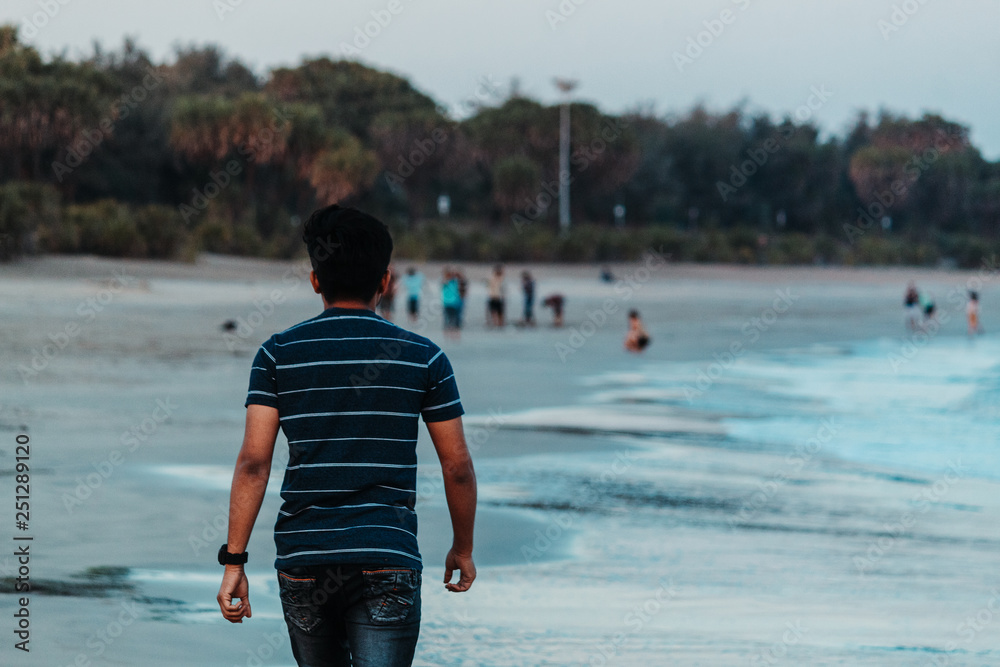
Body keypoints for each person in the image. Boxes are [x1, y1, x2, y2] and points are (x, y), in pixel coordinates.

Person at [217, 205, 477, 667]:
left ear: (315, 280)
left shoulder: (277, 355)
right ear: (385, 281)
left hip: (304, 557)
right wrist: (462, 547)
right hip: (386, 553)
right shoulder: (424, 357)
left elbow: (254, 463)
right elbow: (456, 465)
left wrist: (234, 562)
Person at [442, 268, 462, 339]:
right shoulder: (445, 282)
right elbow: (443, 281)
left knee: (454, 320)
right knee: (447, 320)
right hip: (447, 303)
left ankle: (454, 335)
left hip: (454, 303)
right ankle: (447, 335)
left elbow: (460, 278)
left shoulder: (455, 282)